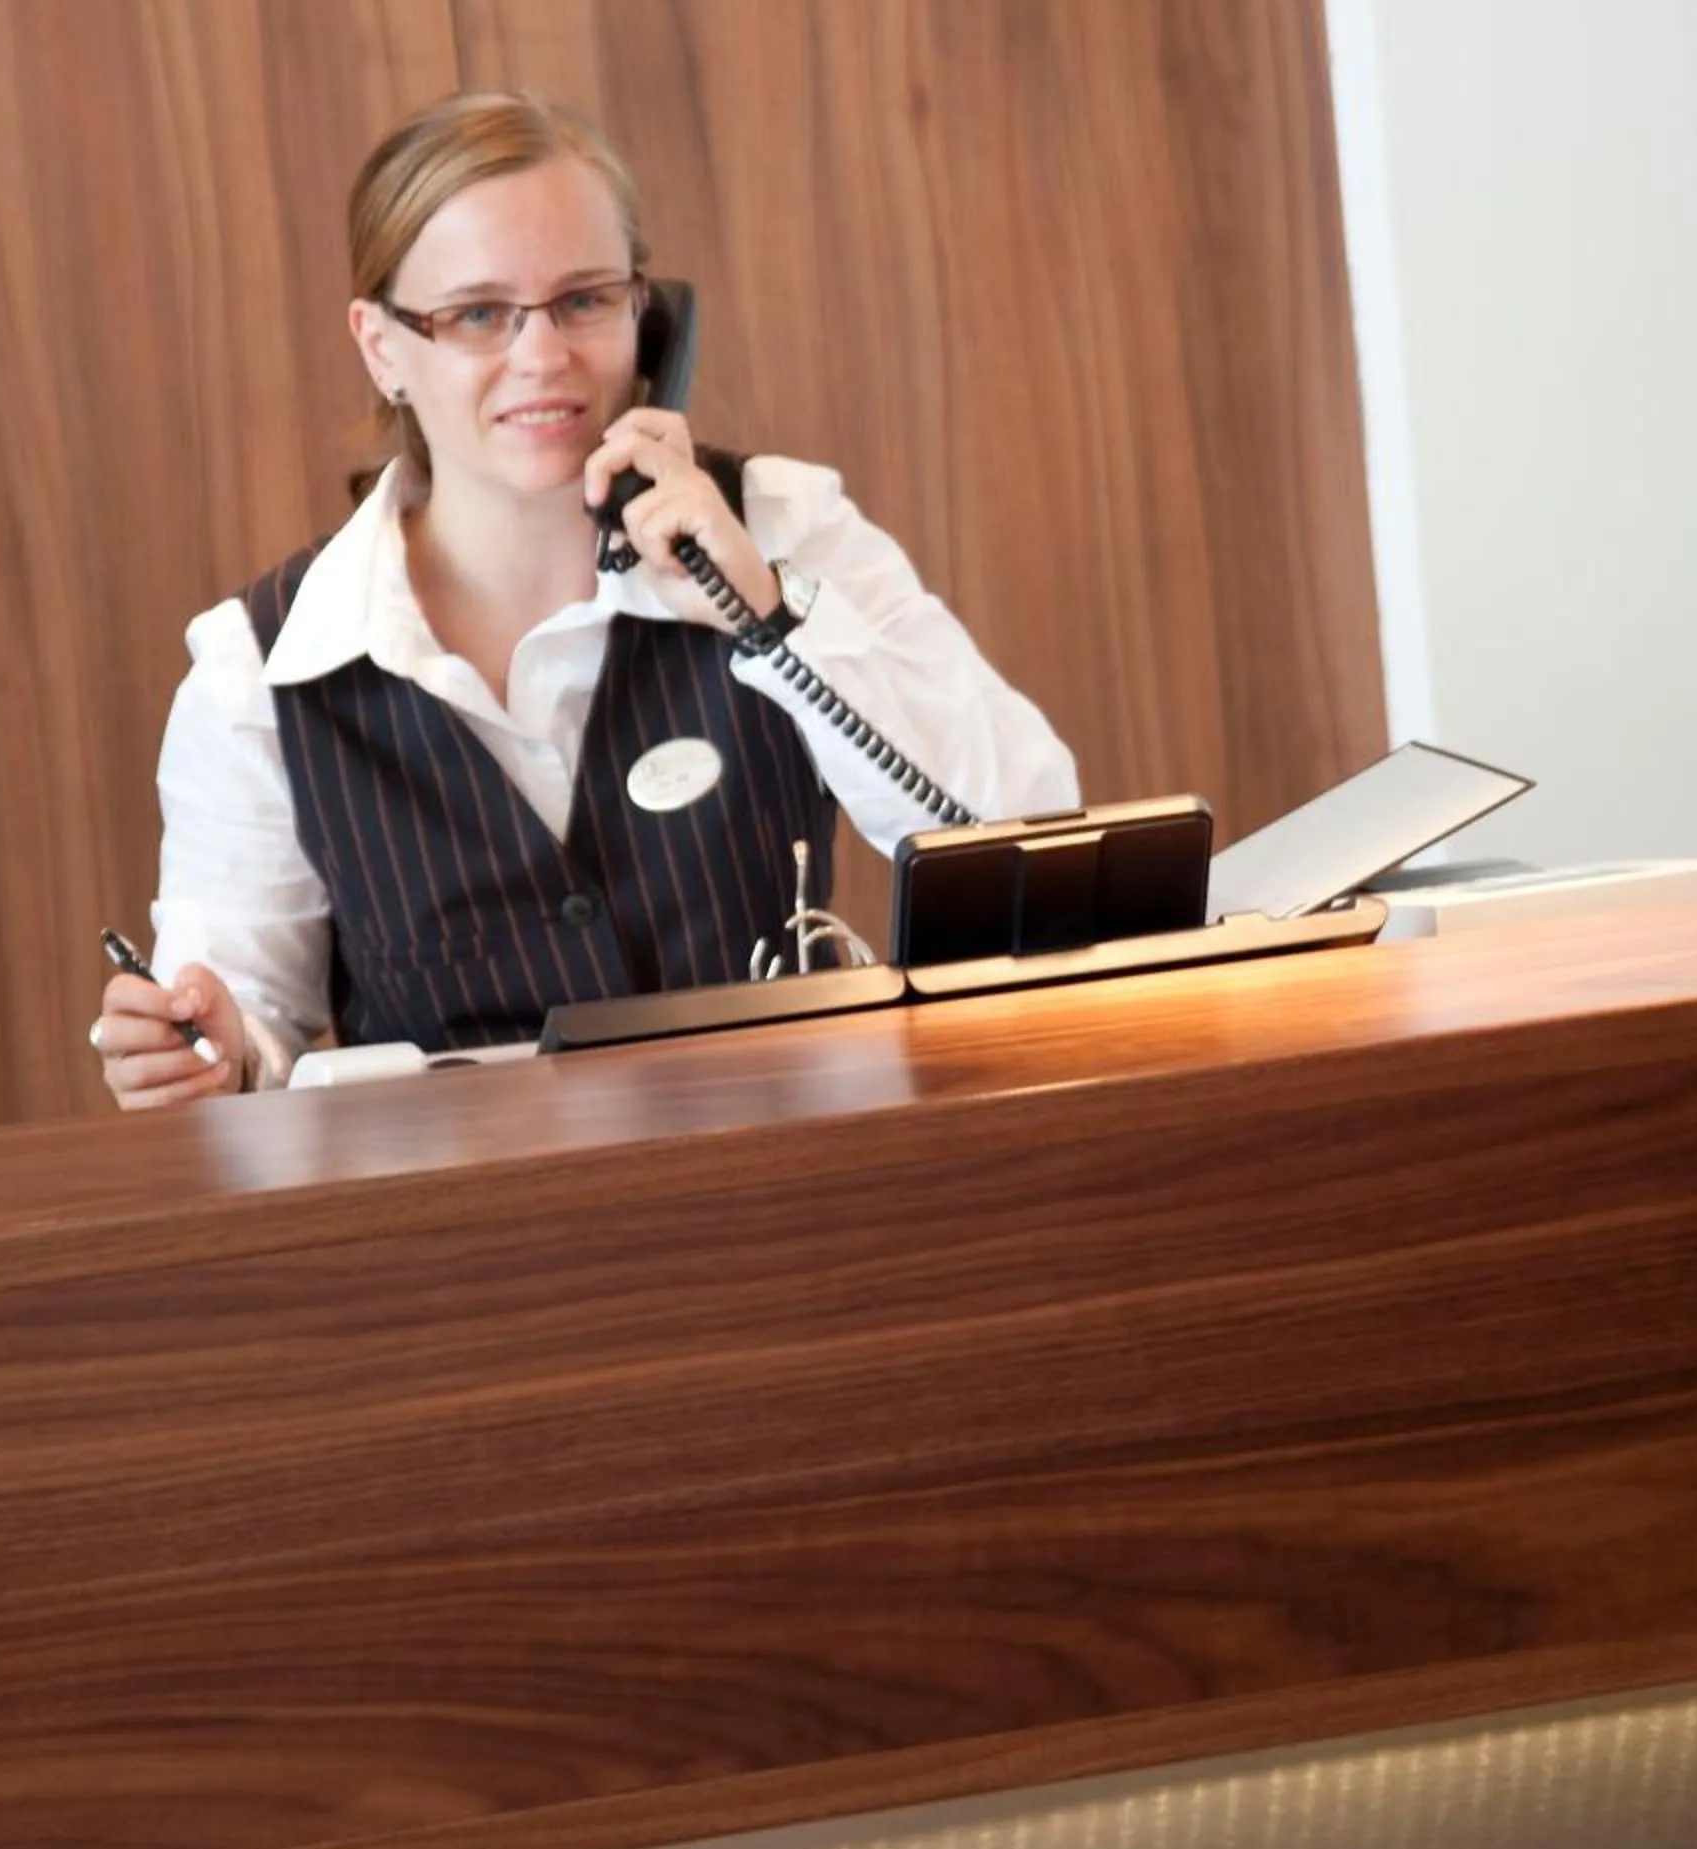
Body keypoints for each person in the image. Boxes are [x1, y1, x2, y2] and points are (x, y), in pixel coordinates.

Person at [93, 91, 1079, 1106]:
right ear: (383, 346)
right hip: (471, 1241)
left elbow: (1033, 848)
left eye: (584, 300)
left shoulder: (782, 530)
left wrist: (772, 614)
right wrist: (208, 1052)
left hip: (790, 1194)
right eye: (477, 314)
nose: (544, 357)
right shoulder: (262, 670)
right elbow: (243, 1022)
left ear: (646, 316)